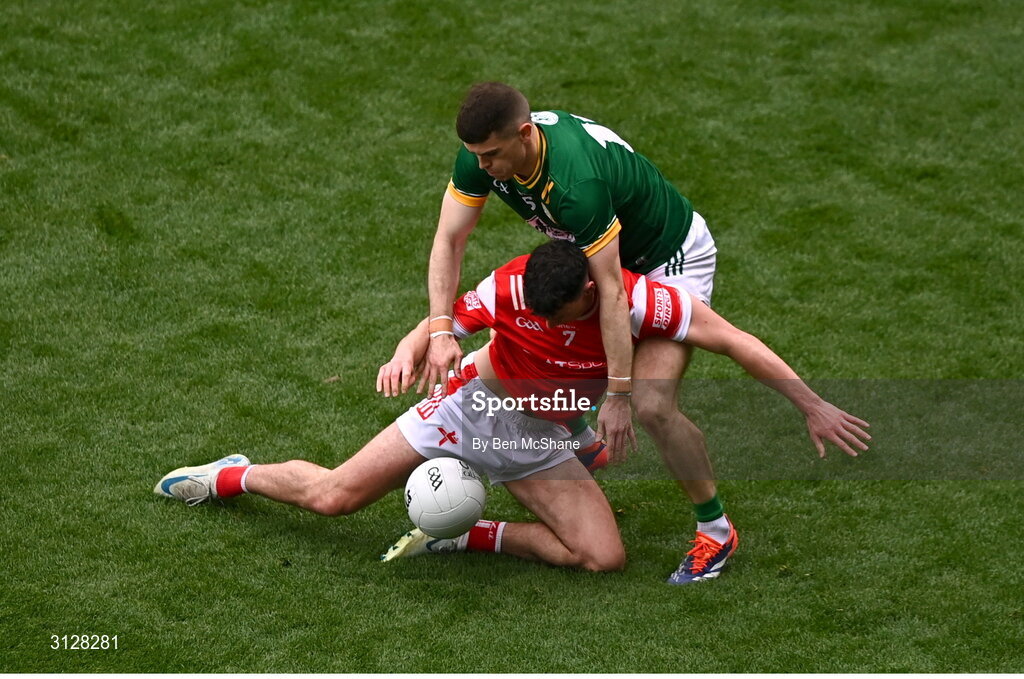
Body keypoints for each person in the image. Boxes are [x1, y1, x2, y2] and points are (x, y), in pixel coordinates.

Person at [155, 242, 870, 583]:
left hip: (536, 439)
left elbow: (737, 342)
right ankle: (232, 476)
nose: (531, 320)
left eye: (550, 317)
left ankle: (468, 534)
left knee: (604, 556)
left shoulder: (644, 305)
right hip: (470, 409)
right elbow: (446, 320)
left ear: (590, 299)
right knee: (335, 496)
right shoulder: (514, 287)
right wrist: (412, 349)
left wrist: (810, 403)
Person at [421, 81, 736, 578]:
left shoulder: (575, 184)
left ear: (524, 135)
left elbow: (611, 293)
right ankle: (579, 434)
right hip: (604, 257)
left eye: (492, 155)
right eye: (474, 155)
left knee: (652, 405)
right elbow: (449, 239)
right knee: (535, 341)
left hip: (665, 262)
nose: (481, 167)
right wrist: (440, 329)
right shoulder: (485, 156)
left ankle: (715, 531)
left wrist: (618, 393)